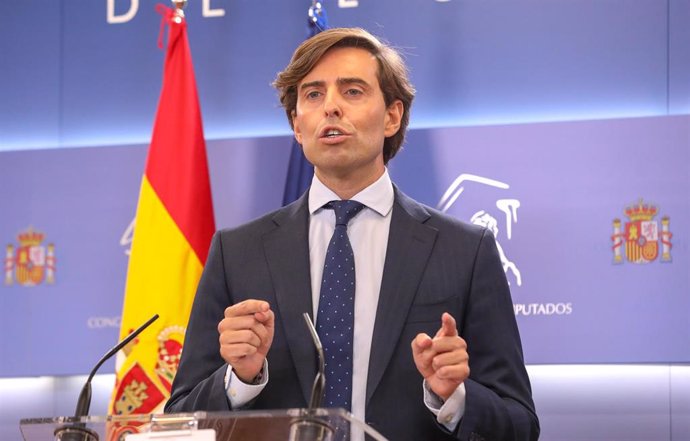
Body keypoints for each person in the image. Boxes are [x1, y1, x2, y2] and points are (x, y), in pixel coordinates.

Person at [166, 27, 539, 441]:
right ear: (296, 125)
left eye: (353, 91)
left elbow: (519, 424)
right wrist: (240, 378)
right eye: (312, 95)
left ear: (392, 116)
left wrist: (453, 397)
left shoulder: (465, 251)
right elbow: (180, 418)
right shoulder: (236, 253)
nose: (330, 108)